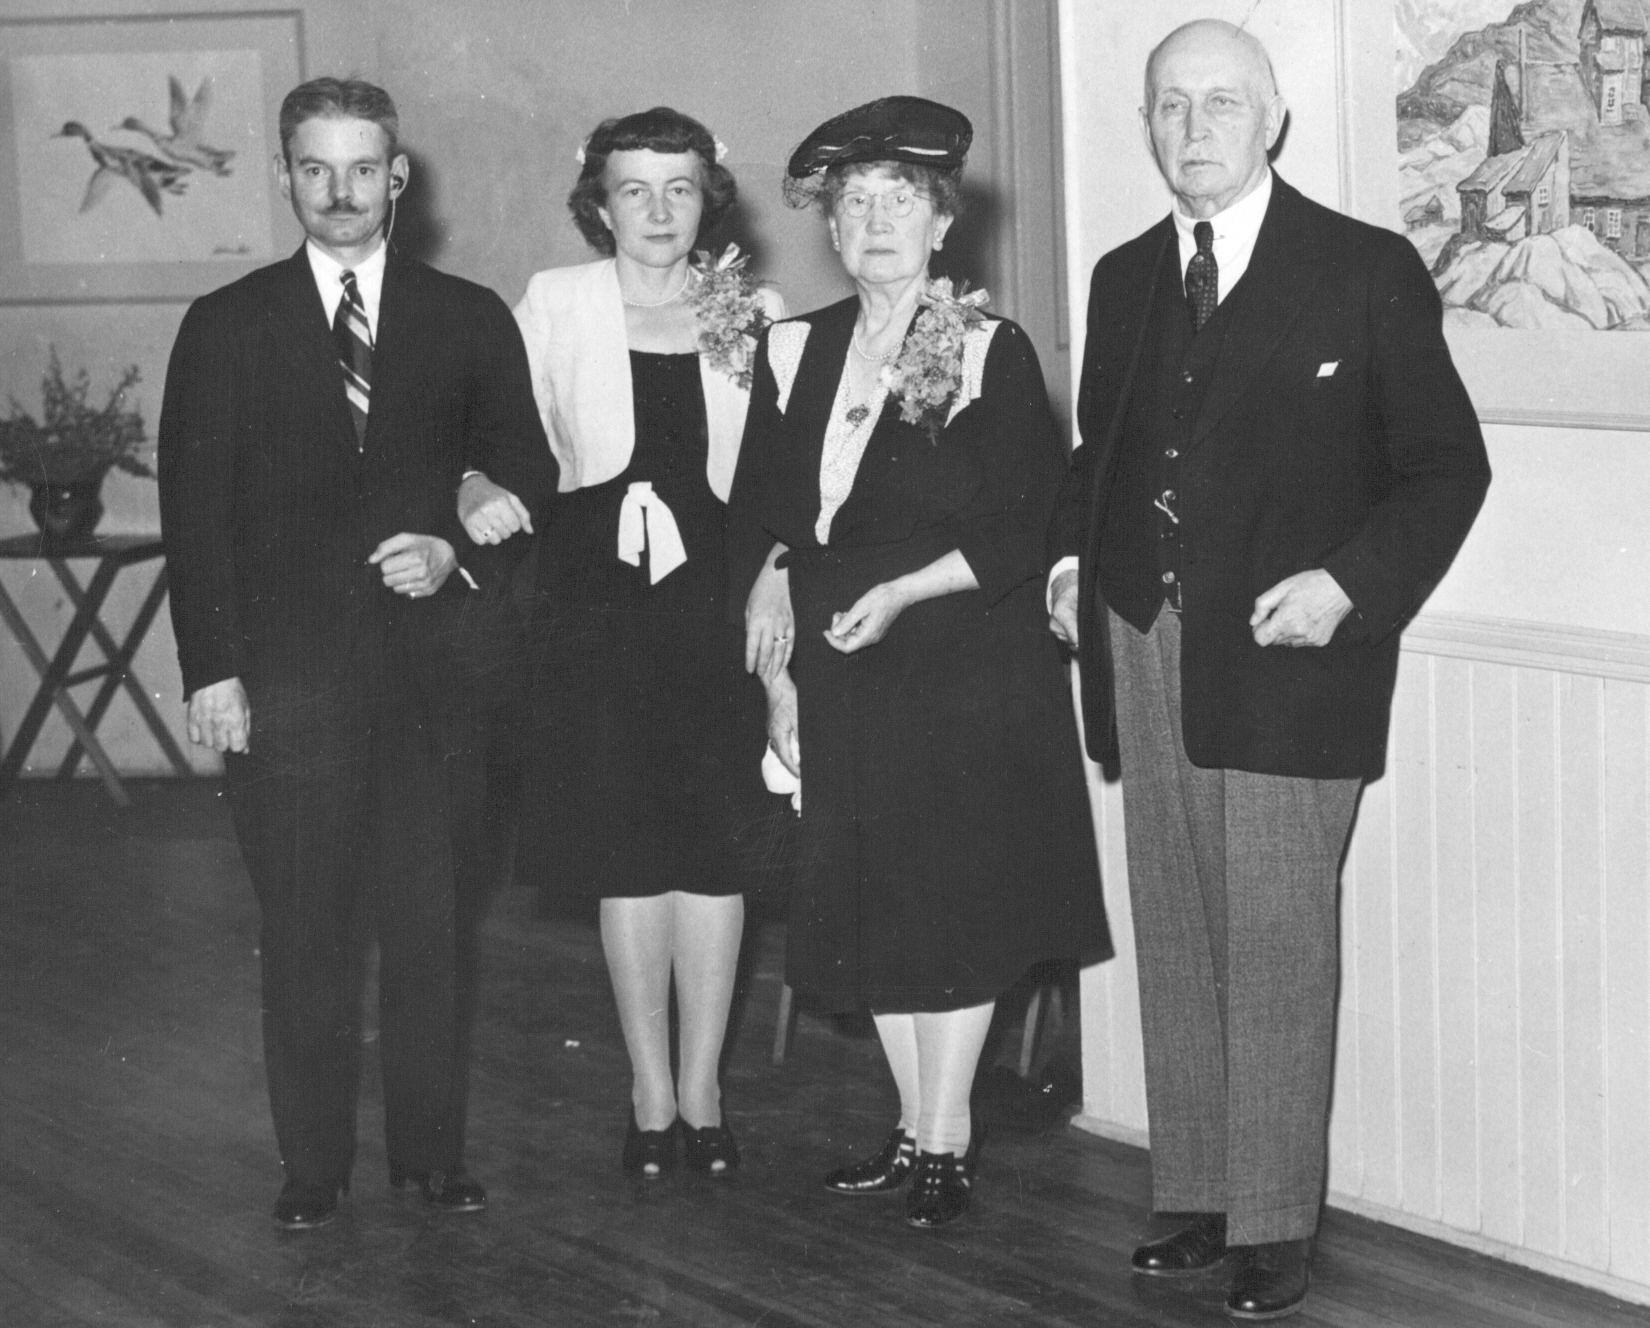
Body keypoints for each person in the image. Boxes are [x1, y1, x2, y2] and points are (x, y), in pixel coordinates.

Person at [1046, 20, 1490, 1319]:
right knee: (1177, 927)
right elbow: (1095, 458)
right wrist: (1072, 567)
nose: (1194, 129)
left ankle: (1273, 1221)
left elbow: (1443, 468)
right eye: (1170, 105)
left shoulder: (1361, 268)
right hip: (1143, 639)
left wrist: (1348, 586)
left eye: (1222, 104)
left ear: (1273, 119)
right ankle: (1197, 1192)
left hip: (1292, 656)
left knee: (1278, 940)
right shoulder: (1124, 276)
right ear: (1146, 124)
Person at [158, 77, 553, 1231]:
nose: (340, 191)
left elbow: (527, 467)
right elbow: (194, 514)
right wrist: (212, 668)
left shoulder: (468, 315)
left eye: (363, 168)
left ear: (399, 178)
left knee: (434, 926)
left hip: (437, 684)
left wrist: (453, 544)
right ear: (286, 174)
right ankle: (313, 1164)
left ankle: (432, 1154)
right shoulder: (226, 323)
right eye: (316, 169)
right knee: (304, 930)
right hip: (289, 689)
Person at [729, 95, 1109, 1230]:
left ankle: (946, 1137)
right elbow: (768, 519)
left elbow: (1025, 520)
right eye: (854, 204)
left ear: (943, 224)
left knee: (954, 910)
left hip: (961, 658)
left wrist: (900, 590)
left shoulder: (987, 347)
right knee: (878, 910)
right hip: (845, 664)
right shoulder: (793, 349)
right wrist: (779, 665)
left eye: (901, 201)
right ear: (830, 231)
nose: (876, 222)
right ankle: (912, 1128)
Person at [459, 107, 784, 1181]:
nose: (657, 209)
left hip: (716, 601)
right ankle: (649, 1092)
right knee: (626, 846)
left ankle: (705, 1090)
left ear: (707, 200)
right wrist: (476, 485)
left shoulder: (753, 308)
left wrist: (778, 581)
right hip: (593, 599)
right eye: (633, 189)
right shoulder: (556, 301)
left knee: (715, 846)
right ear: (598, 205)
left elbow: (787, 473)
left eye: (679, 187)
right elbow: (488, 426)